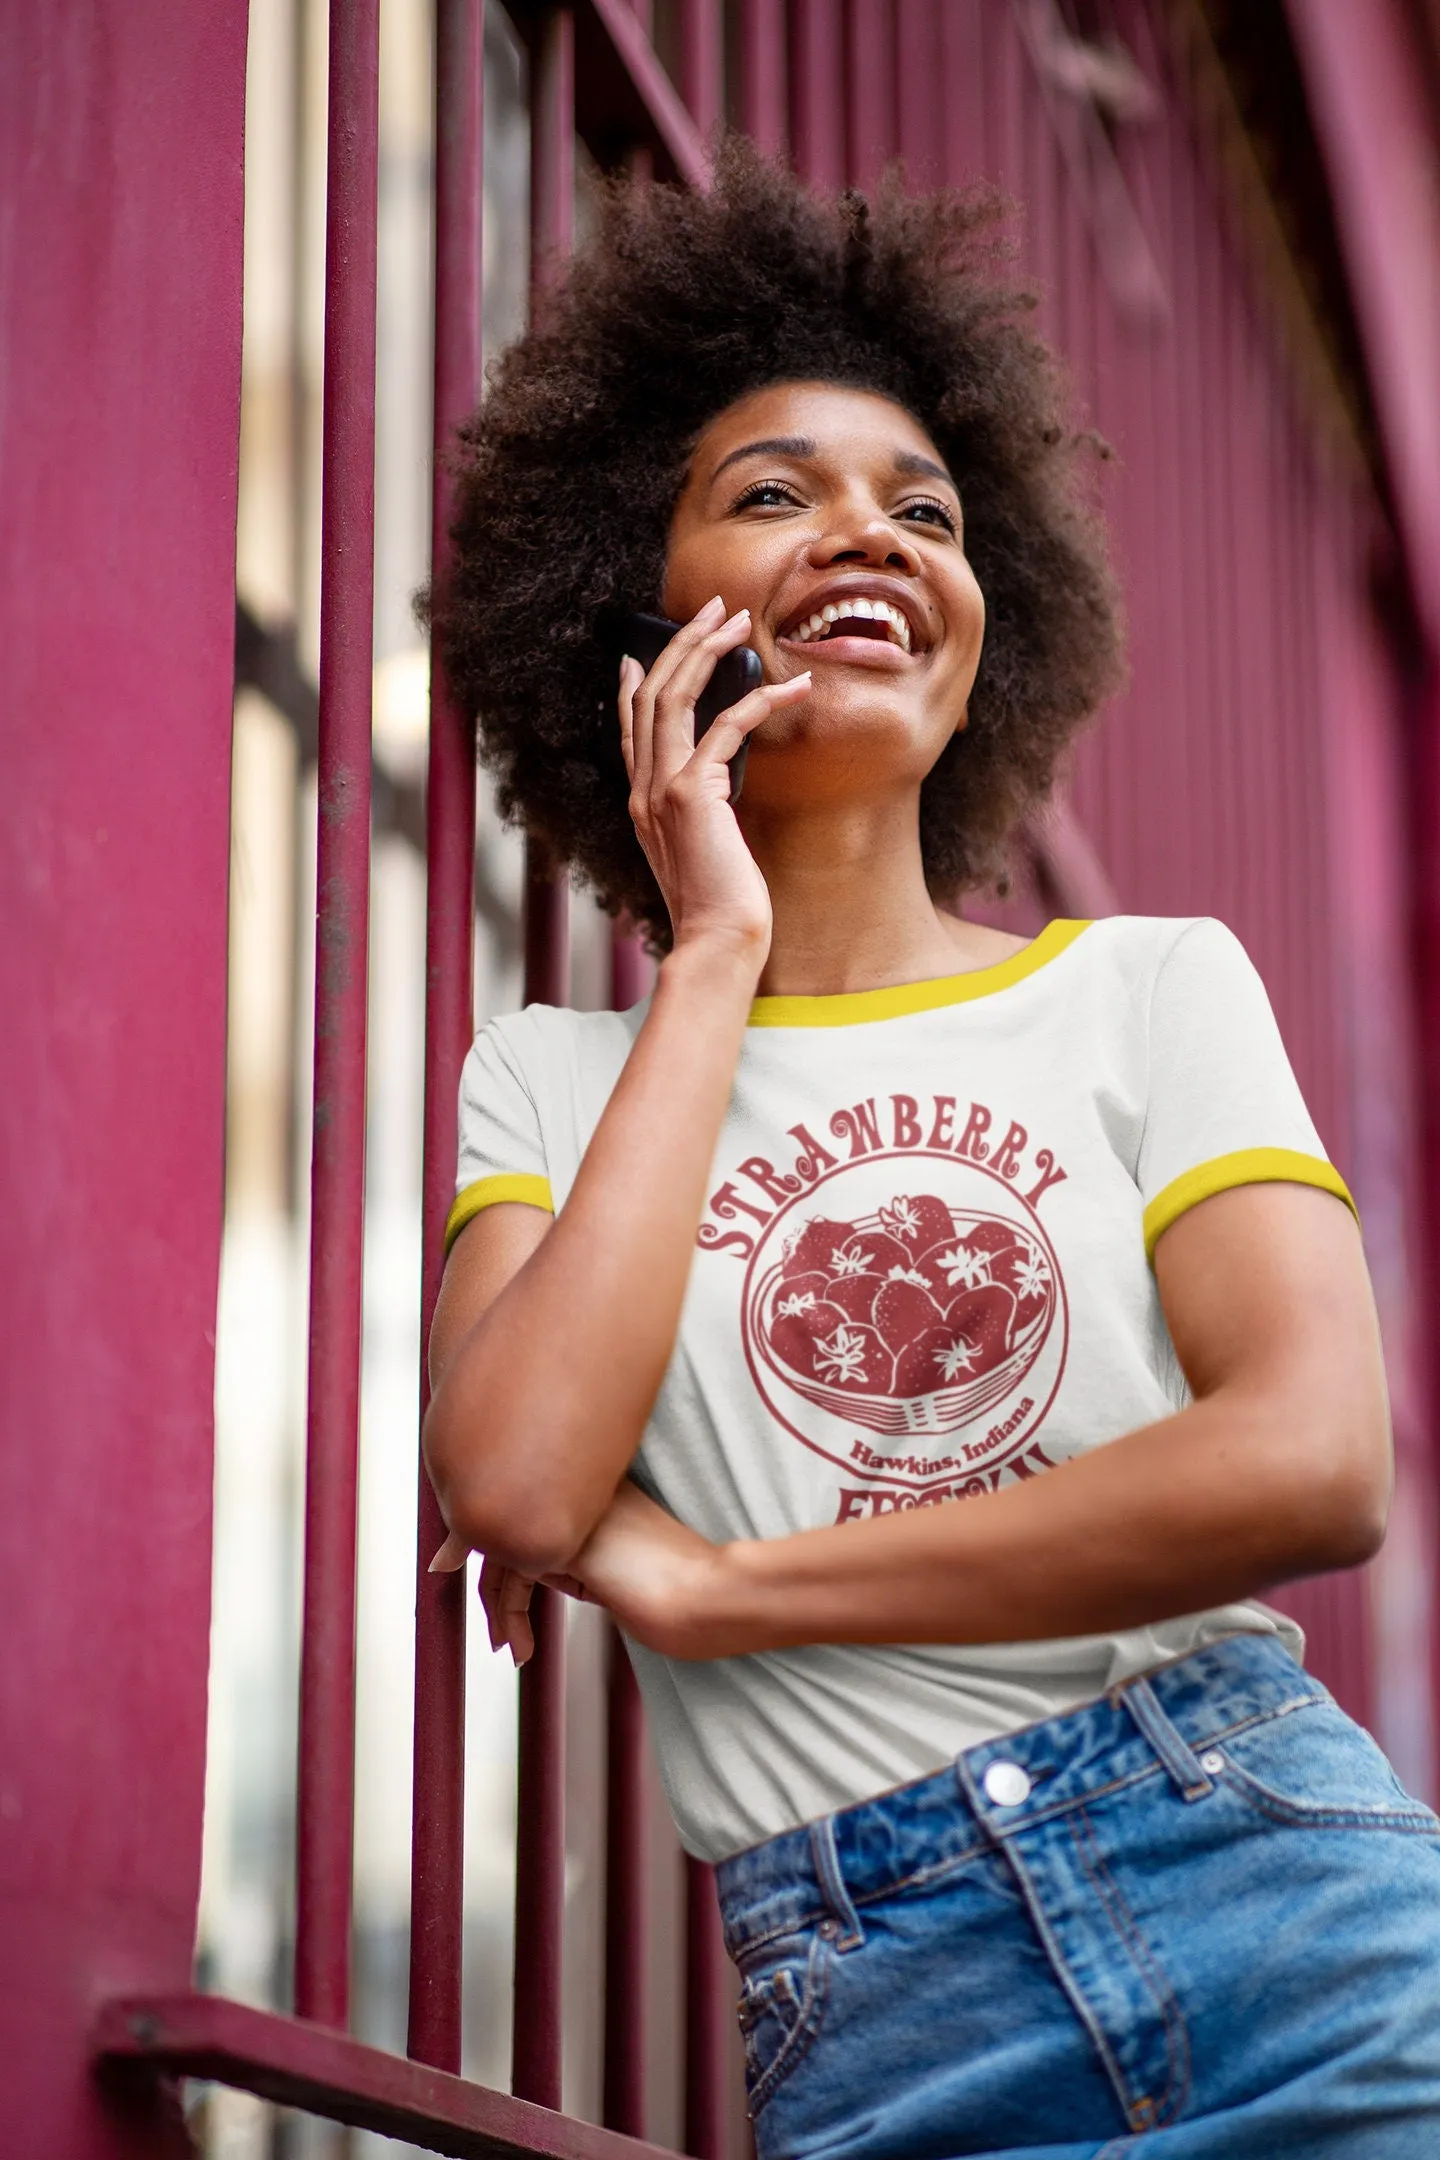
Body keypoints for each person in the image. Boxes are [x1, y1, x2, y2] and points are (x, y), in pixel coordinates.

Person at [423, 147, 1440, 2157]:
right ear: (634, 611)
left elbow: (1315, 1464)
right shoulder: (551, 1080)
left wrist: (732, 1592)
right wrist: (714, 955)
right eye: (773, 493)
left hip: (1283, 1901)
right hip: (886, 2005)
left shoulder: (1151, 988)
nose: (868, 534)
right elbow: (522, 1480)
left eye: (926, 508)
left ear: (993, 616)